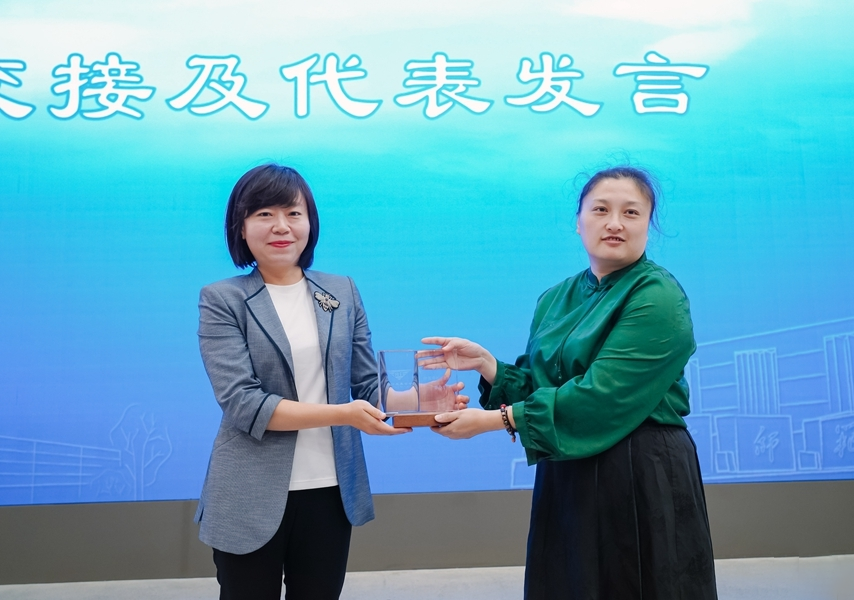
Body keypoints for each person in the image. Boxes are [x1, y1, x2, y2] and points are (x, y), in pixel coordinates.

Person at [419, 166, 718, 599]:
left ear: (648, 225)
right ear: (578, 222)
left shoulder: (658, 296)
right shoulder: (555, 298)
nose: (615, 223)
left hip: (639, 471)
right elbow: (543, 388)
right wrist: (488, 366)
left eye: (631, 213)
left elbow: (603, 396)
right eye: (601, 210)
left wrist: (494, 420)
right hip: (566, 473)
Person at [194, 164, 461, 600]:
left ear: (310, 223)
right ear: (241, 227)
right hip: (248, 495)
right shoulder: (223, 299)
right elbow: (244, 404)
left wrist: (417, 398)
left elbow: (367, 387)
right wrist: (343, 414)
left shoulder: (341, 292)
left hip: (330, 490)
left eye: (293, 213)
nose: (281, 226)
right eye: (264, 214)